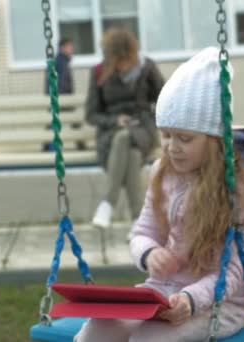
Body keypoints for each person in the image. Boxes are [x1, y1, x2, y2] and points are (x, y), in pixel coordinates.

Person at [75, 47, 244, 341]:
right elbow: (142, 231)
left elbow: (236, 270)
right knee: (97, 330)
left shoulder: (241, 189)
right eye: (166, 135)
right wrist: (149, 253)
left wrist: (191, 300)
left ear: (215, 139)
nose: (171, 147)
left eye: (185, 138)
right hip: (162, 292)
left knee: (149, 339)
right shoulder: (162, 174)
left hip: (221, 302)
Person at [86, 29, 164, 229]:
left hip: (144, 129)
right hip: (111, 135)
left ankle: (107, 203)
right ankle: (138, 221)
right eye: (116, 61)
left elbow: (166, 99)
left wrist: (151, 118)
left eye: (125, 59)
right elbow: (91, 115)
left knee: (126, 139)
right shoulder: (98, 73)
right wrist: (115, 120)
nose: (121, 66)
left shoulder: (147, 68)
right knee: (131, 151)